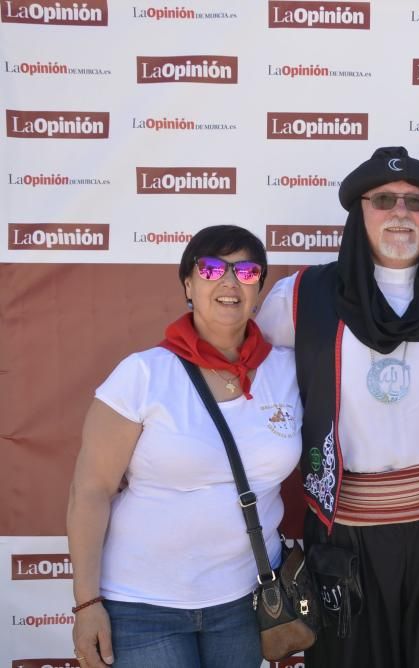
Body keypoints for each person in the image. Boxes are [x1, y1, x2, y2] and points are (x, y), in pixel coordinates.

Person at [255, 146, 419, 667]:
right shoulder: (301, 298)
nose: (400, 213)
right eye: (383, 199)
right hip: (344, 536)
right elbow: (244, 378)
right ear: (357, 212)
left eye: (415, 202)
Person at [67, 225, 301, 668]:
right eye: (212, 268)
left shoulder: (289, 372)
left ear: (259, 292)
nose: (229, 281)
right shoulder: (143, 375)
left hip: (246, 602)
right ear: (188, 285)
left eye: (247, 272)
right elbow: (90, 491)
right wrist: (86, 604)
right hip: (142, 605)